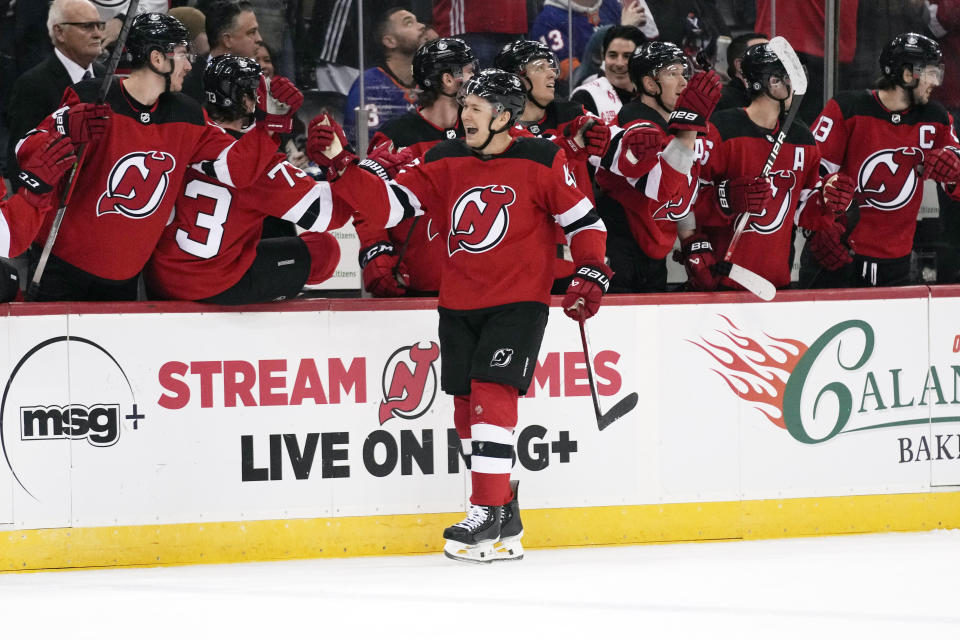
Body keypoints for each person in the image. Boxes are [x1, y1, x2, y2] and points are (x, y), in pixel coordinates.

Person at [311, 69, 610, 563]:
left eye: (475, 106)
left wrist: (591, 272)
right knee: (467, 407)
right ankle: (505, 513)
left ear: (505, 115)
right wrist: (342, 166)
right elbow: (387, 207)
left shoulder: (541, 158)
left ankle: (486, 508)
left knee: (493, 397)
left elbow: (584, 221)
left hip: (518, 302)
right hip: (458, 303)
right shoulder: (445, 160)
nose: (463, 113)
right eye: (464, 104)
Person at [16, 12, 294, 301]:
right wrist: (65, 128)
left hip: (124, 280)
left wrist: (269, 124)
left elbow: (238, 171)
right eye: (184, 54)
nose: (188, 65)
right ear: (157, 58)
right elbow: (25, 150)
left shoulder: (186, 115)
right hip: (61, 271)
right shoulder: (90, 98)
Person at [145, 55, 381, 304]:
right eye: (261, 91)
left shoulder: (187, 128)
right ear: (248, 101)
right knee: (325, 250)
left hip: (159, 276)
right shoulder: (257, 162)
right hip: (211, 284)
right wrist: (343, 165)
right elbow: (329, 215)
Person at [693, 42, 854, 292]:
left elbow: (802, 209)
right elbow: (686, 200)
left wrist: (828, 199)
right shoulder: (721, 129)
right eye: (788, 78)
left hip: (776, 281)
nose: (797, 87)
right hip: (722, 279)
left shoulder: (802, 138)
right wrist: (725, 198)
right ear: (770, 82)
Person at [802, 33, 960, 288]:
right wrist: (815, 228)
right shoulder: (847, 108)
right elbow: (809, 174)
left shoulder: (936, 117)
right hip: (837, 254)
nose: (936, 81)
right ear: (908, 74)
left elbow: (956, 174)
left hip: (897, 264)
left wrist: (954, 169)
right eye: (930, 73)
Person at [593, 41, 720, 292]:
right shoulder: (636, 124)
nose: (684, 82)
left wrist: (690, 240)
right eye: (673, 73)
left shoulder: (679, 127)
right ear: (650, 84)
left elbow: (681, 194)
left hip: (651, 254)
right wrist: (689, 127)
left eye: (684, 73)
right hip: (618, 251)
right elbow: (663, 187)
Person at [354, 37, 476, 297]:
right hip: (416, 282)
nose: (475, 78)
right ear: (447, 80)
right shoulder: (397, 135)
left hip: (476, 282)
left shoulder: (482, 131)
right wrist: (375, 250)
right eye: (468, 70)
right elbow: (367, 198)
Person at [6, 0, 105, 184]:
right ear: (59, 32)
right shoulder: (33, 85)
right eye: (87, 26)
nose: (98, 34)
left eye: (99, 26)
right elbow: (20, 157)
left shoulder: (107, 77)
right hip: (54, 200)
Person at [342, 8, 427, 147]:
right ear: (390, 41)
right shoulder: (370, 85)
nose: (422, 26)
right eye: (409, 23)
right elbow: (362, 146)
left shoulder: (430, 80)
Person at [181, 0, 261, 103]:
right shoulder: (186, 84)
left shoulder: (260, 82)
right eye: (252, 32)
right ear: (227, 40)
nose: (259, 39)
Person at [571, 25, 647, 124]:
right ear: (604, 56)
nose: (619, 63)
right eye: (613, 55)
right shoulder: (585, 96)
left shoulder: (653, 95)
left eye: (627, 56)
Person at [714, 32, 768, 111]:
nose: (772, 61)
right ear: (740, 65)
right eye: (762, 55)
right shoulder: (719, 101)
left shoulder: (779, 99)